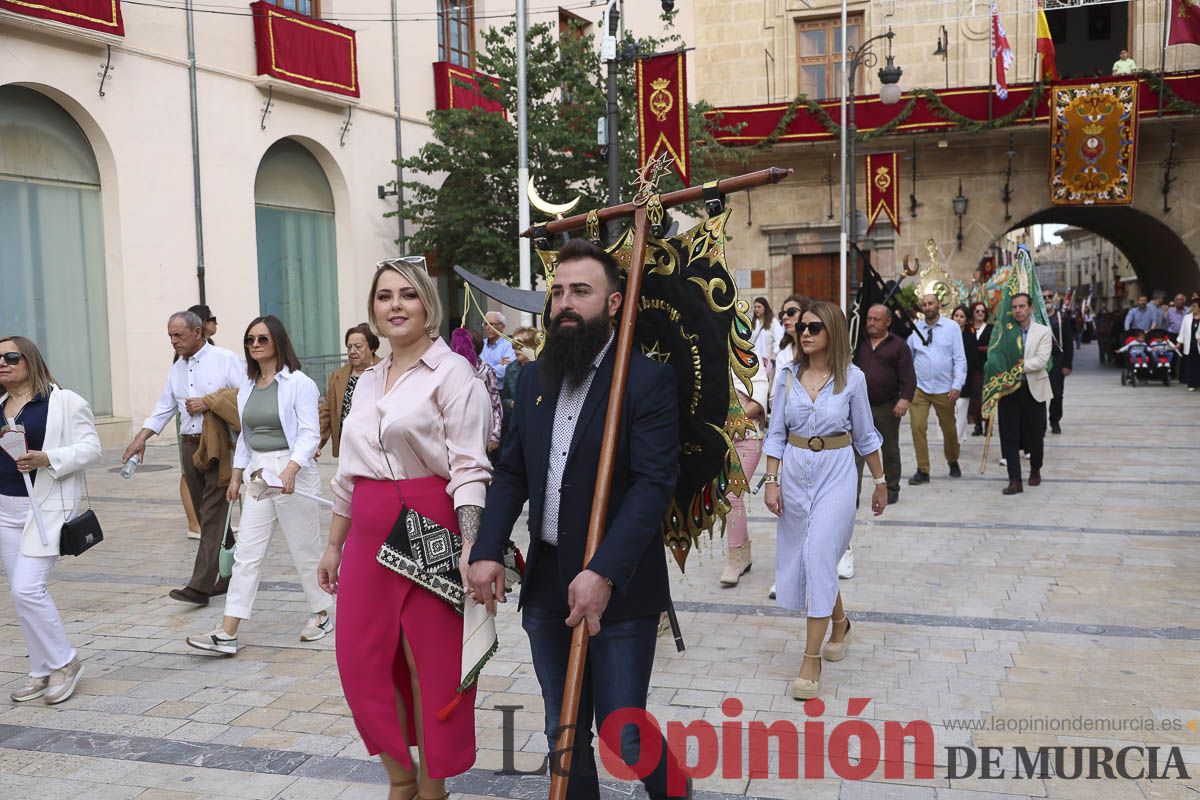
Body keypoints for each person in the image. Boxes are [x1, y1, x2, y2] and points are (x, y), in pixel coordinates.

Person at [467, 238, 687, 800]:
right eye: (558, 291)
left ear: (614, 304)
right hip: (545, 588)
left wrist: (603, 570)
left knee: (624, 734)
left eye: (581, 292)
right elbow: (512, 470)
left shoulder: (643, 382)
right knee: (563, 729)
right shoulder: (538, 379)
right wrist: (489, 547)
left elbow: (652, 487)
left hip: (619, 590)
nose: (565, 303)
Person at [317, 257, 492, 800]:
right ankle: (399, 778)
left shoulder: (453, 374)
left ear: (427, 307)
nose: (395, 305)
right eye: (385, 296)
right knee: (361, 660)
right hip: (367, 533)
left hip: (426, 524)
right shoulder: (365, 381)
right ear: (373, 309)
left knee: (431, 665)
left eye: (407, 295)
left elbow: (468, 467)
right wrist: (332, 545)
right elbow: (348, 471)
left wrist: (470, 544)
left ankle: (431, 786)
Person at [185, 316, 332, 656]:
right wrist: (236, 476)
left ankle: (321, 613)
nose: (255, 345)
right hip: (258, 472)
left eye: (262, 339)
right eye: (250, 340)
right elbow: (246, 438)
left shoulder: (299, 383)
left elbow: (310, 432)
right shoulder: (248, 388)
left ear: (278, 341)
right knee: (247, 553)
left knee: (303, 548)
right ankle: (228, 631)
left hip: (291, 468)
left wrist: (293, 468)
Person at [762, 302, 886, 700]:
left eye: (815, 327)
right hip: (796, 473)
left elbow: (866, 435)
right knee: (811, 557)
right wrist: (771, 480)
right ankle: (841, 622)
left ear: (832, 332)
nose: (805, 333)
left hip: (837, 471)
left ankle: (810, 659)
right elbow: (776, 434)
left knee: (818, 553)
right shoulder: (787, 376)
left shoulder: (853, 379)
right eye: (801, 327)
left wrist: (881, 481)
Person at [0, 336, 101, 705]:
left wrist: (47, 458)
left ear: (29, 360)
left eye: (11, 357)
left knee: (27, 589)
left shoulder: (63, 402)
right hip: (4, 511)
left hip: (45, 511)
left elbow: (92, 449)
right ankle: (41, 670)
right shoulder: (1, 406)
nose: (4, 363)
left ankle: (66, 662)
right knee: (20, 595)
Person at [125, 311, 245, 606]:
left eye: (178, 335)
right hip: (189, 446)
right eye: (170, 335)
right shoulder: (177, 367)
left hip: (218, 445)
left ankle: (200, 586)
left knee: (213, 513)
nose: (173, 341)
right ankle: (231, 572)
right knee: (209, 515)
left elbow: (246, 397)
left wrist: (209, 402)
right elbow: (165, 407)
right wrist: (141, 437)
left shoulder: (224, 359)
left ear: (198, 332)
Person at [853, 304, 914, 507]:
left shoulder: (899, 346)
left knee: (889, 449)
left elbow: (908, 376)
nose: (871, 323)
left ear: (888, 321)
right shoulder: (857, 342)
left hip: (887, 406)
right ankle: (853, 493)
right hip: (859, 406)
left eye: (876, 319)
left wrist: (904, 399)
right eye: (869, 318)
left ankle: (892, 487)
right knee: (856, 451)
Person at [906, 294, 966, 484]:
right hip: (920, 388)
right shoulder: (916, 330)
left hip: (944, 388)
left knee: (949, 429)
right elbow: (908, 358)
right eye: (924, 304)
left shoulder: (952, 328)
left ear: (938, 304)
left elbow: (959, 358)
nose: (927, 307)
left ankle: (953, 459)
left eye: (931, 303)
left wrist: (957, 384)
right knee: (917, 427)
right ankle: (922, 469)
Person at [720, 359, 769, 587]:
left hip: (748, 438)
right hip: (720, 441)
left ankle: (734, 558)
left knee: (732, 494)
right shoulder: (708, 353)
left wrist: (731, 420)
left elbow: (758, 401)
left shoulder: (749, 355)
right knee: (731, 497)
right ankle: (744, 551)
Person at [998, 294, 1052, 495]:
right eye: (1014, 307)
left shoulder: (1043, 332)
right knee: (1009, 435)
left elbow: (1041, 360)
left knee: (1036, 434)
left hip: (1033, 390)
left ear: (1030, 308)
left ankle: (1035, 468)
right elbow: (997, 354)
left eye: (1022, 306)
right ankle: (1014, 479)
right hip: (1009, 390)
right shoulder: (1005, 331)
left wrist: (1016, 368)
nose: (1018, 310)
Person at [318, 324, 381, 459]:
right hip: (347, 449)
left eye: (358, 347)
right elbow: (326, 413)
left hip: (377, 449)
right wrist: (315, 444)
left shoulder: (386, 370)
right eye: (349, 347)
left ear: (372, 348)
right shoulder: (338, 376)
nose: (352, 351)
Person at [450, 328, 503, 456]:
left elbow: (495, 404)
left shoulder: (486, 371)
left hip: (480, 430)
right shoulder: (451, 369)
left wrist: (495, 435)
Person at [1044, 291, 1074, 435]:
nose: (1047, 299)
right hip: (1041, 360)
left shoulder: (1061, 317)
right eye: (1043, 297)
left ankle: (1055, 420)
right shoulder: (1036, 317)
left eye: (1049, 296)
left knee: (1056, 393)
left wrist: (1067, 364)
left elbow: (1068, 342)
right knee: (1038, 393)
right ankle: (1040, 423)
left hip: (1057, 360)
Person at [501, 326, 538, 437]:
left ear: (532, 345)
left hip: (536, 423)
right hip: (516, 424)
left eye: (520, 343)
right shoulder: (511, 368)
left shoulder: (542, 367)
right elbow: (503, 398)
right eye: (513, 344)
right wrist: (512, 403)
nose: (515, 348)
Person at [967, 302, 993, 435]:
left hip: (987, 367)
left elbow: (995, 345)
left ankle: (988, 424)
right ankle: (978, 425)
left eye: (983, 311)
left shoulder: (990, 328)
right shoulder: (968, 328)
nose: (980, 313)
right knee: (975, 396)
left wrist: (985, 349)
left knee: (987, 395)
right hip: (972, 368)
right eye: (977, 311)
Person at [950, 305, 974, 445]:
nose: (958, 319)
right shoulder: (946, 333)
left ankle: (956, 442)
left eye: (962, 316)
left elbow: (971, 360)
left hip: (963, 380)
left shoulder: (970, 337)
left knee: (960, 410)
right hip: (946, 379)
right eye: (956, 315)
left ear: (966, 319)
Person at [750, 296, 782, 383]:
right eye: (755, 307)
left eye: (759, 307)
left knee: (766, 384)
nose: (756, 309)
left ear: (765, 308)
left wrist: (774, 354)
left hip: (767, 361)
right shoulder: (752, 322)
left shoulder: (772, 321)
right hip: (754, 360)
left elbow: (779, 338)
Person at [480, 311, 516, 383]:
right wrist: (497, 364)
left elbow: (505, 370)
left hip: (501, 390)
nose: (487, 327)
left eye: (491, 324)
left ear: (502, 327)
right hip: (483, 389)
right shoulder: (481, 344)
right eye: (485, 324)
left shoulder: (510, 345)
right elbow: (475, 368)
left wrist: (483, 369)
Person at [1176, 298, 1200, 391]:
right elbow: (1182, 331)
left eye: (1194, 306)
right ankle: (1192, 384)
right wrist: (1179, 342)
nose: (1192, 308)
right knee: (1191, 365)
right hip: (1190, 344)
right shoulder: (1187, 317)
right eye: (1191, 306)